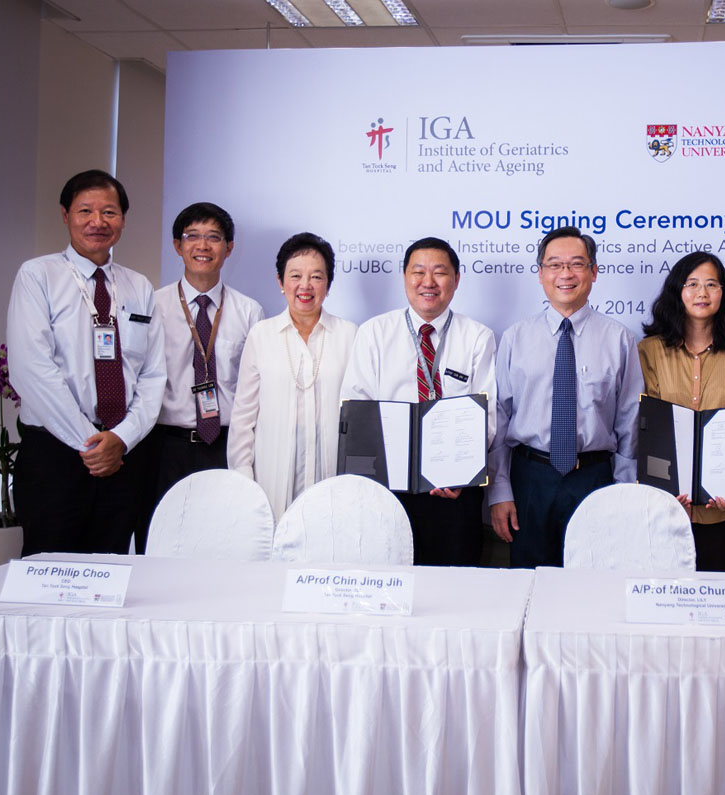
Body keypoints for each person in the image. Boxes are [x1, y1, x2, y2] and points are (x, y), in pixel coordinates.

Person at [7, 169, 165, 556]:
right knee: (48, 572)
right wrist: (90, 444)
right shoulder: (38, 276)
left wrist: (121, 439)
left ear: (123, 219)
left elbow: (152, 376)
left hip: (122, 455)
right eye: (85, 211)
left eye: (109, 212)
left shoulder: (139, 286)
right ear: (65, 215)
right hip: (56, 454)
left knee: (110, 571)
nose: (98, 221)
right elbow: (32, 370)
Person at [489, 226, 643, 568]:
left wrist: (623, 494)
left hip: (595, 477)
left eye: (576, 264)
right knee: (528, 581)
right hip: (530, 479)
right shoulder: (515, 338)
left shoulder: (620, 339)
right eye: (555, 265)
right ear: (541, 273)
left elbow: (629, 422)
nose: (566, 274)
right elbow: (499, 419)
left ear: (594, 271)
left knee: (591, 579)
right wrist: (500, 491)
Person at [341, 237, 497, 566]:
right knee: (389, 580)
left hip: (455, 492)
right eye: (418, 272)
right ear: (404, 277)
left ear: (456, 279)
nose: (428, 282)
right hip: (388, 490)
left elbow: (488, 416)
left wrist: (458, 471)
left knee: (454, 585)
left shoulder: (477, 337)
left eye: (439, 272)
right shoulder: (374, 333)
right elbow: (357, 410)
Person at [140, 203, 263, 546]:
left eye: (214, 237)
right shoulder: (153, 306)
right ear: (177, 246)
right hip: (165, 447)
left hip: (224, 446)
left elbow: (254, 390)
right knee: (161, 541)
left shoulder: (249, 311)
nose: (203, 246)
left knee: (222, 542)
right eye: (192, 236)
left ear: (229, 248)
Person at [638, 251, 725, 572]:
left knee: (722, 595)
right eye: (692, 284)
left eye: (711, 284)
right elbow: (646, 428)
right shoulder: (649, 351)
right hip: (665, 506)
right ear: (677, 291)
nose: (702, 293)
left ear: (723, 293)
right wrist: (665, 489)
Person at [228, 233, 357, 517]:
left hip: (331, 476)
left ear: (328, 284)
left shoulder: (349, 335)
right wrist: (244, 482)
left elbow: (360, 417)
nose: (305, 285)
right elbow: (243, 418)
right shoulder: (262, 335)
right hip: (272, 479)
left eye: (316, 277)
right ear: (280, 281)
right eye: (295, 275)